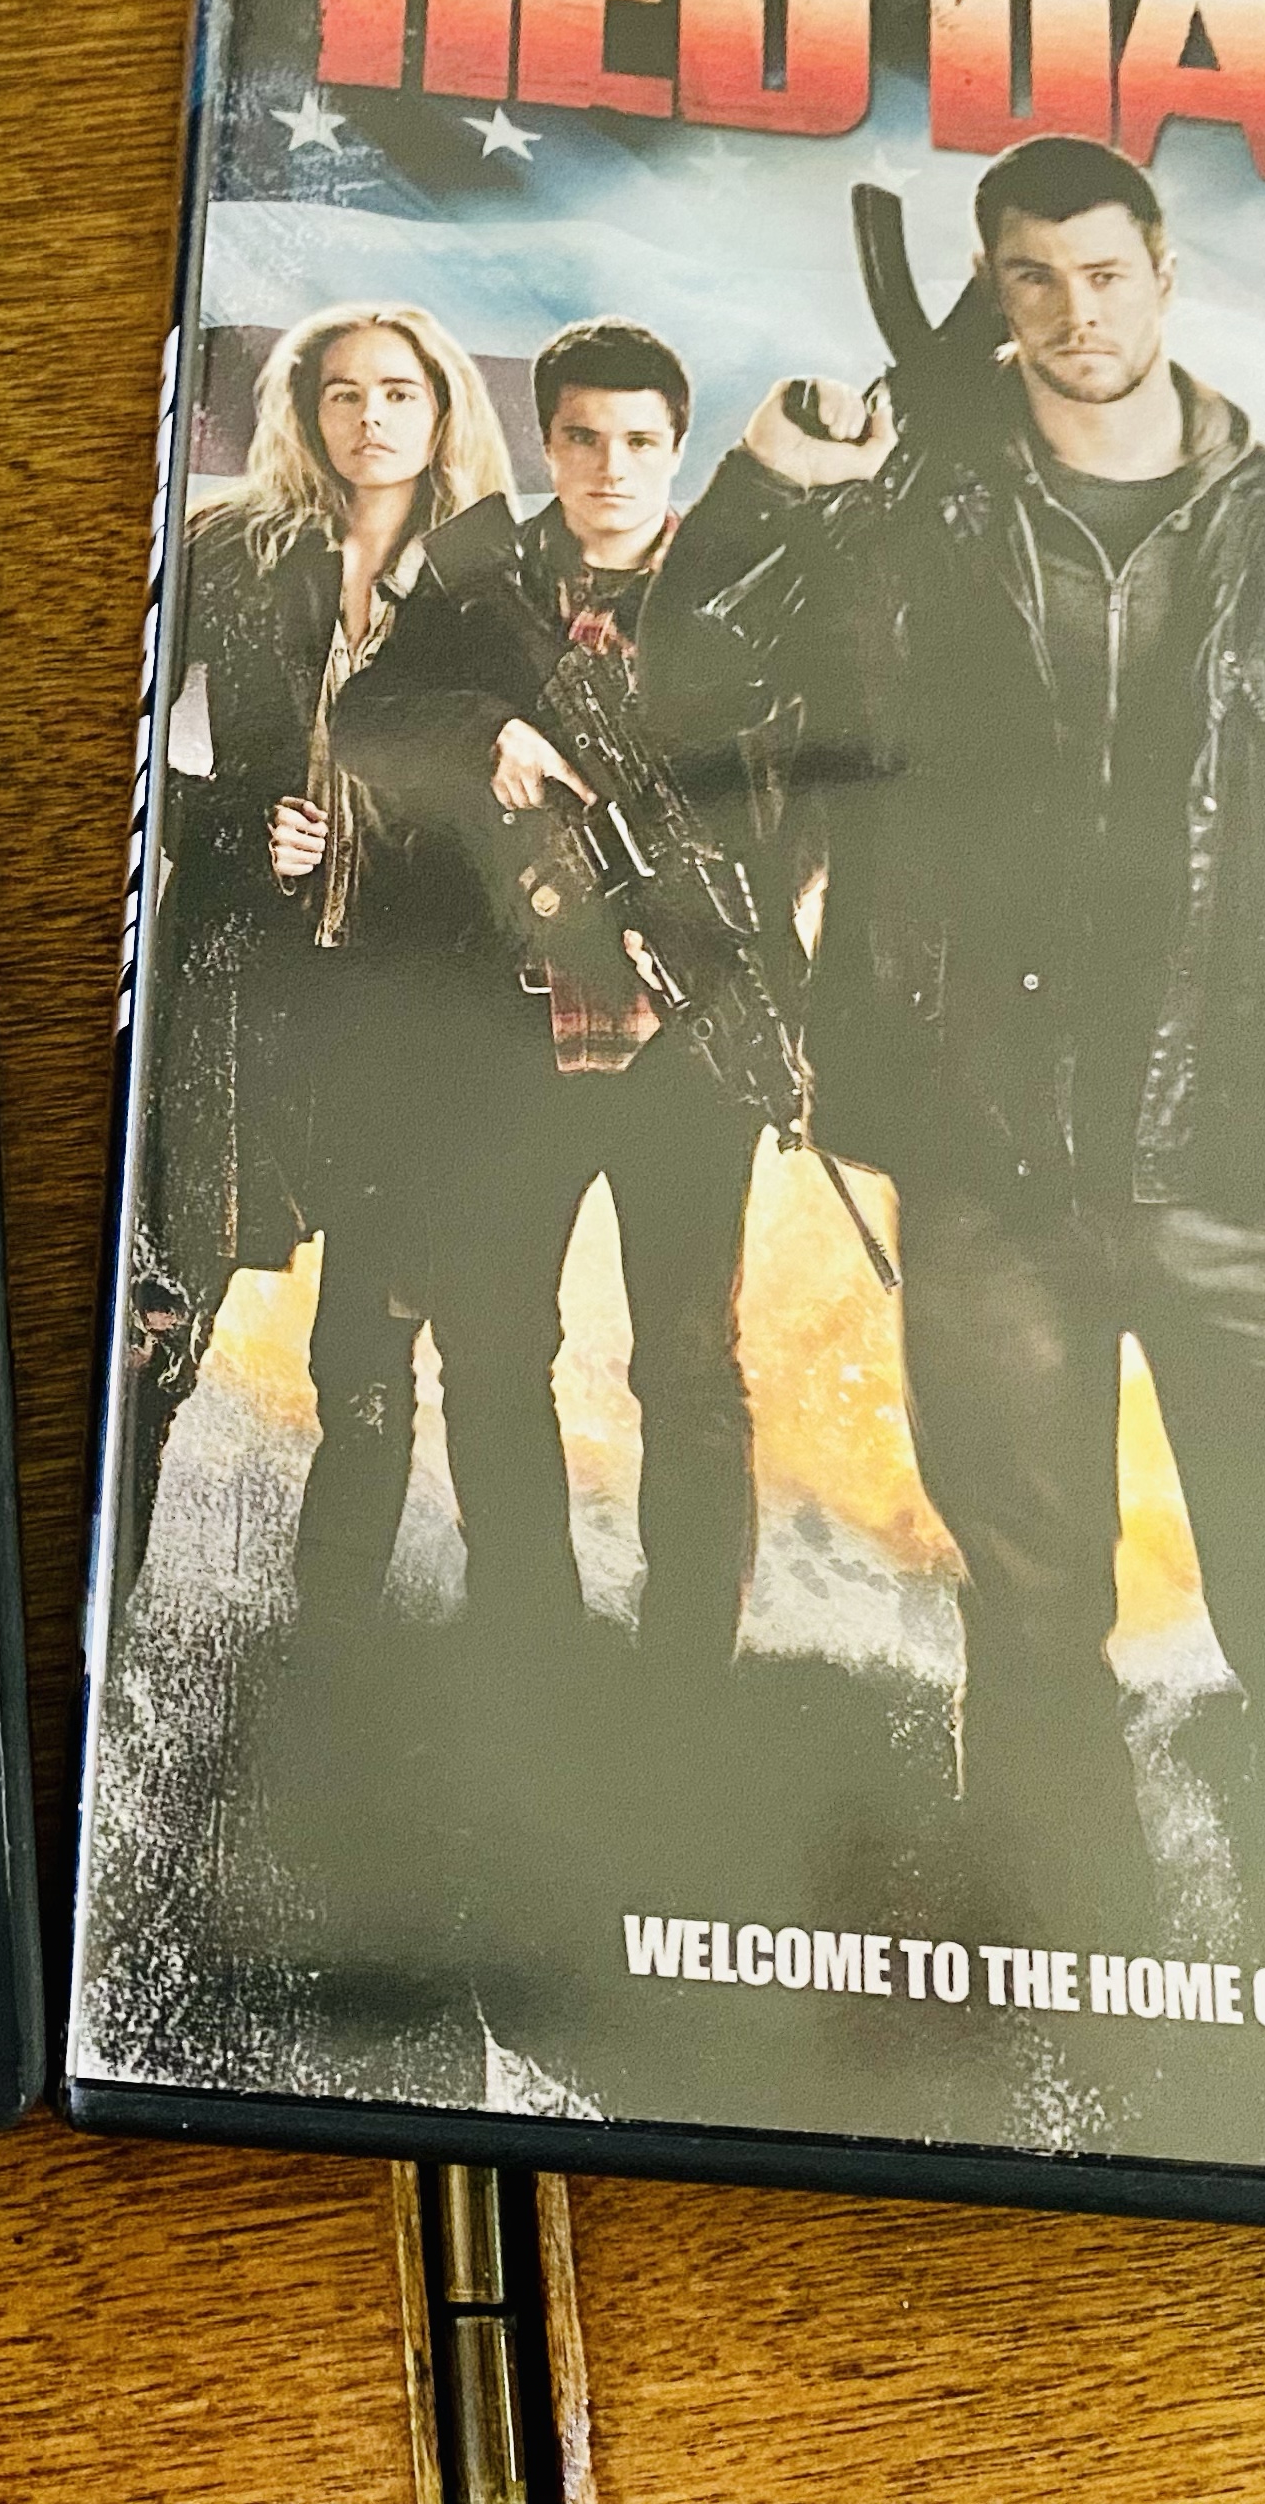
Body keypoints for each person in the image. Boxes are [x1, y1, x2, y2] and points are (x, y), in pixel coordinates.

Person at [707, 135, 1265, 1940]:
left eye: (1104, 273)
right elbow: (701, 693)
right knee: (1029, 1605)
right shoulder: (911, 519)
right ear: (994, 295)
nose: (1075, 313)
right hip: (988, 1162)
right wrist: (766, 489)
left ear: (1163, 275)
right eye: (1033, 279)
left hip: (1247, 1158)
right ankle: (1053, 1977)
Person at [332, 317, 792, 1738]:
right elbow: (364, 719)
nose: (611, 467)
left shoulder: (736, 599)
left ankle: (687, 1683)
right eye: (583, 437)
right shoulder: (479, 583)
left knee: (689, 1370)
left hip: (685, 1045)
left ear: (679, 448)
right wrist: (488, 733)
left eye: (641, 441)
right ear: (547, 442)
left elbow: (815, 784)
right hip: (509, 1037)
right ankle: (527, 1640)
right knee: (489, 1344)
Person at [122, 302, 509, 1627]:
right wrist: (237, 823)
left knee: (369, 1348)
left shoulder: (498, 578)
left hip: (408, 992)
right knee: (160, 1316)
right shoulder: (229, 547)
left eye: (398, 391)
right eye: (342, 392)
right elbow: (117, 754)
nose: (370, 417)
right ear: (303, 410)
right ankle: (104, 1621)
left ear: (442, 409)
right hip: (240, 981)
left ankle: (328, 1647)